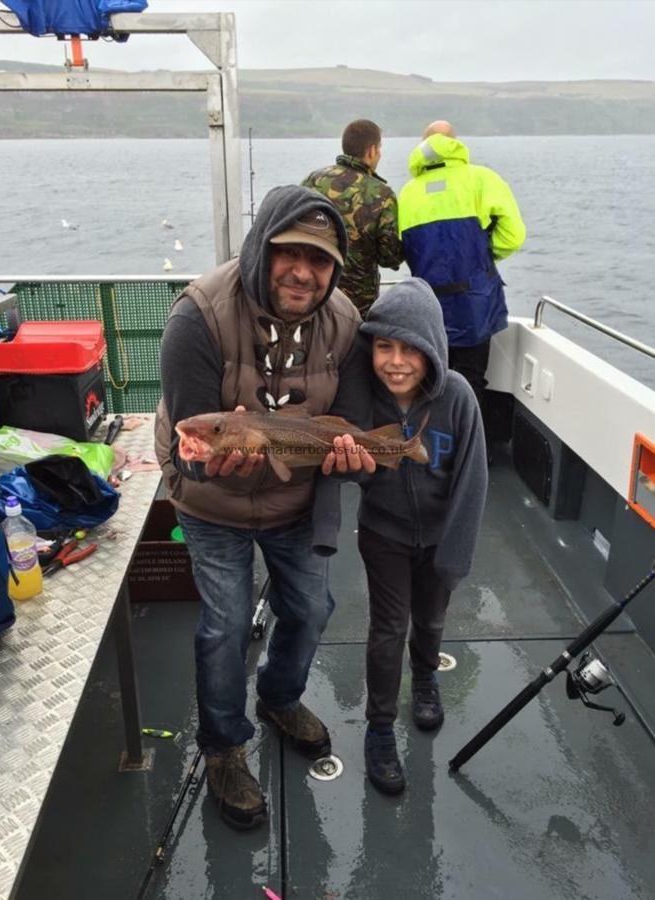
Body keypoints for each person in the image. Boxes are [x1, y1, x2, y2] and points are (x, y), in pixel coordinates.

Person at [155, 184, 375, 831]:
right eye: (289, 254)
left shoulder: (344, 322)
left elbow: (355, 419)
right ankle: (224, 746)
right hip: (210, 500)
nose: (304, 273)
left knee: (310, 607)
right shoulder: (196, 316)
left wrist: (352, 453)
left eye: (321, 261)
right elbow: (192, 442)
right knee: (223, 625)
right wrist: (207, 460)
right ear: (261, 249)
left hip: (294, 496)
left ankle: (279, 698)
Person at [356, 277, 488, 795]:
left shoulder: (457, 397)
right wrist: (358, 467)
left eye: (411, 349)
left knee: (430, 619)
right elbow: (353, 475)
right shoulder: (364, 398)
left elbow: (472, 483)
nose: (396, 361)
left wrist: (453, 557)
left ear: (433, 349)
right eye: (384, 346)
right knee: (387, 629)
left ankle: (427, 675)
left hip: (439, 536)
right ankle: (380, 726)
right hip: (382, 531)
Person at [397, 120, 525, 416]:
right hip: (475, 302)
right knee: (471, 379)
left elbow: (399, 246)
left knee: (429, 379)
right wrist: (483, 256)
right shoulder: (482, 179)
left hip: (427, 304)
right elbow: (513, 235)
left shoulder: (407, 193)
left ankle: (429, 447)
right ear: (454, 143)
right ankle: (469, 450)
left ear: (422, 147)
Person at [302, 118, 404, 313]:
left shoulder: (313, 180)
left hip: (313, 295)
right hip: (357, 305)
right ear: (372, 150)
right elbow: (389, 257)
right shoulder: (381, 194)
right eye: (379, 149)